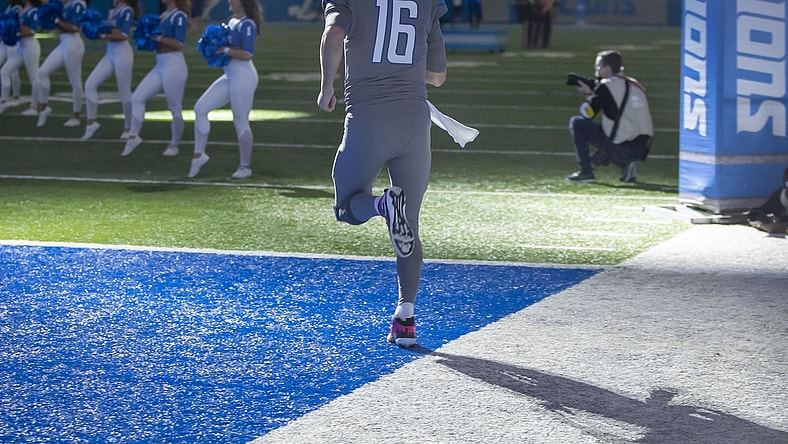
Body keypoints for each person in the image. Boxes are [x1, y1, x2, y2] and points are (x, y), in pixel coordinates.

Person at [317, 0, 447, 347]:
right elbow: (437, 77)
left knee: (346, 208)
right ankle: (405, 318)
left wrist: (327, 86)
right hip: (415, 123)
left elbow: (333, 34)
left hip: (368, 121)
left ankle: (382, 206)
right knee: (410, 228)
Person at [187, 0, 262, 179]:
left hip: (244, 77)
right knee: (200, 108)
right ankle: (199, 156)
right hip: (230, 76)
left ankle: (245, 166)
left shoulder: (248, 24)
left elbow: (247, 54)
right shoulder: (231, 21)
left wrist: (224, 49)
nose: (229, 1)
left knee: (240, 121)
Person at [565, 50, 653, 183]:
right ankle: (627, 164)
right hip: (641, 146)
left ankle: (586, 172)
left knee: (577, 123)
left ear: (607, 68)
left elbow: (588, 114)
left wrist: (589, 95)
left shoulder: (606, 86)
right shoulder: (634, 84)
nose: (596, 69)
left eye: (598, 66)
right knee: (616, 128)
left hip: (621, 144)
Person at [122, 0, 189, 157]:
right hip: (160, 64)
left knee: (174, 107)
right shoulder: (163, 15)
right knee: (137, 98)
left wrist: (156, 38)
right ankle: (133, 136)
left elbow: (179, 43)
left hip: (174, 65)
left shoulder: (179, 16)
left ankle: (175, 144)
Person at [80, 0, 139, 140]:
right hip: (110, 52)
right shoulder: (113, 10)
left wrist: (101, 35)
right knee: (90, 84)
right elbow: (111, 30)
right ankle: (91, 124)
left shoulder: (127, 10)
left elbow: (122, 34)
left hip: (122, 53)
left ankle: (128, 127)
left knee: (124, 91)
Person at [36, 0, 87, 128]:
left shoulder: (78, 4)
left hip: (73, 44)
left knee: (75, 82)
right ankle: (44, 108)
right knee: (42, 72)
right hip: (64, 43)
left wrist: (56, 20)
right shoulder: (64, 3)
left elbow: (74, 28)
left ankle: (76, 116)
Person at [0, 0, 41, 116]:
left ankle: (34, 107)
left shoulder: (33, 11)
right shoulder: (24, 10)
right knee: (4, 71)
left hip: (30, 46)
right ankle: (3, 101)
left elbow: (32, 31)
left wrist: (14, 33)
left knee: (34, 77)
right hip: (20, 47)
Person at [0, 0, 24, 112]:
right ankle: (9, 96)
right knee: (8, 71)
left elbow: (15, 23)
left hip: (13, 43)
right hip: (5, 42)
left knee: (12, 71)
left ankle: (13, 96)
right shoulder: (10, 7)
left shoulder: (18, 8)